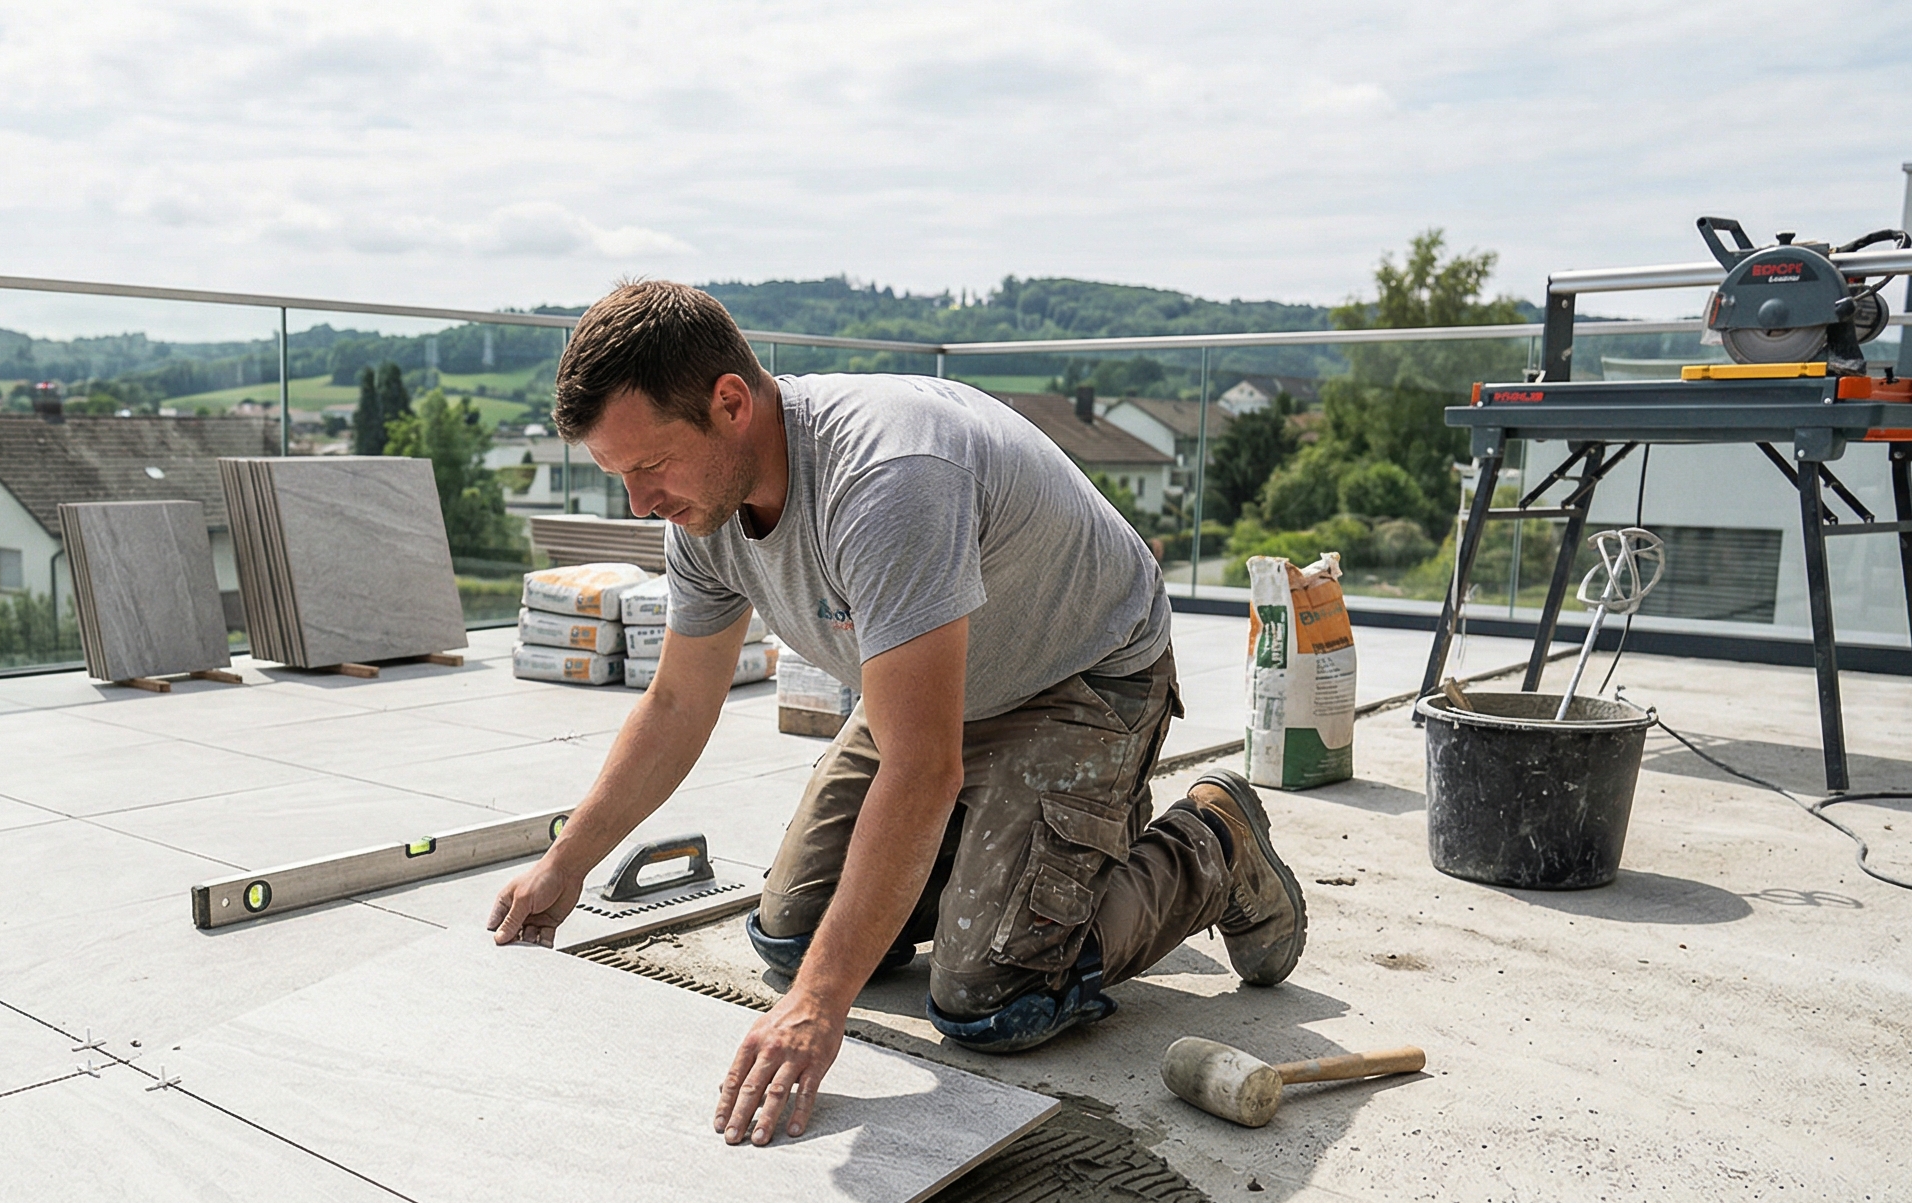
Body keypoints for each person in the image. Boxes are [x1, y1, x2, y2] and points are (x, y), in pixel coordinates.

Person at [488, 281, 1305, 1147]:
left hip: (1078, 678)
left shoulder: (887, 480)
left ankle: (1214, 844)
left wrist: (817, 1011)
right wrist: (567, 862)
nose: (640, 504)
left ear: (730, 401)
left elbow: (922, 769)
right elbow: (680, 701)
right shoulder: (702, 511)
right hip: (933, 692)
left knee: (992, 998)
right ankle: (1021, 858)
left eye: (648, 468)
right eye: (620, 477)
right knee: (792, 942)